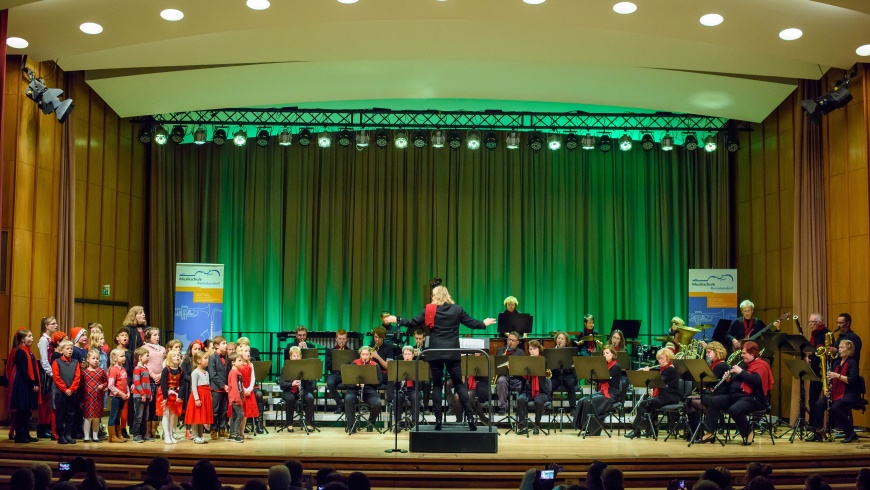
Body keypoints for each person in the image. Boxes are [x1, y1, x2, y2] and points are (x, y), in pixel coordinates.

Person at [386, 285, 496, 431]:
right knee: (459, 384)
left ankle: (438, 419)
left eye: (433, 295)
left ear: (436, 296)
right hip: (452, 351)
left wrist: (397, 319)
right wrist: (484, 324)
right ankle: (470, 417)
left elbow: (413, 322)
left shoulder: (430, 310)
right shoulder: (458, 309)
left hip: (435, 351)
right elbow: (471, 323)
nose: (431, 297)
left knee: (437, 384)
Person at [701, 341, 773, 445]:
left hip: (753, 399)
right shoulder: (743, 364)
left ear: (752, 353)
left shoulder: (762, 365)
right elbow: (737, 381)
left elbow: (756, 380)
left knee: (734, 410)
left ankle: (748, 432)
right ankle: (710, 432)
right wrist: (729, 378)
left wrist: (740, 372)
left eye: (744, 353)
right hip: (737, 396)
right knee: (714, 401)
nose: (742, 355)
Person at [807, 339, 861, 443]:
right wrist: (829, 388)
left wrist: (837, 376)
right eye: (839, 348)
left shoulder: (852, 363)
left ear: (849, 351)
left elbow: (852, 380)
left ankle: (851, 433)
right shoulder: (836, 363)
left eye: (842, 348)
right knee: (818, 404)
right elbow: (833, 380)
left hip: (849, 393)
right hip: (836, 391)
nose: (839, 350)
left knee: (836, 408)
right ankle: (818, 432)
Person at [625, 347, 679, 439]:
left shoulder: (670, 369)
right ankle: (652, 430)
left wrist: (648, 373)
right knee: (649, 403)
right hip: (664, 396)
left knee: (644, 403)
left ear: (668, 359)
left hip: (670, 397)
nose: (659, 361)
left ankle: (636, 429)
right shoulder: (663, 369)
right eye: (658, 359)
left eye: (662, 359)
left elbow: (658, 380)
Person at [574, 344, 622, 435]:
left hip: (611, 395)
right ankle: (582, 426)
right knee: (582, 400)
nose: (605, 355)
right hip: (603, 392)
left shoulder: (615, 366)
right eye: (603, 353)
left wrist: (592, 375)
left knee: (589, 401)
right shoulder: (604, 366)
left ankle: (595, 430)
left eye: (607, 353)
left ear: (613, 354)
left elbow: (603, 378)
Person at [685, 341, 730, 434]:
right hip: (714, 395)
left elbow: (708, 383)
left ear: (717, 352)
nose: (707, 355)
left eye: (709, 352)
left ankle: (697, 432)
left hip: (718, 397)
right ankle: (696, 432)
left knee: (690, 402)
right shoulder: (715, 365)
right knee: (690, 401)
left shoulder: (720, 365)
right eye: (706, 352)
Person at [10, 329, 41, 443]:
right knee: (22, 410)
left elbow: (33, 368)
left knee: (27, 410)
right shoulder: (20, 352)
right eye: (29, 336)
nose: (32, 338)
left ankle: (26, 434)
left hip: (28, 383)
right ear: (23, 339)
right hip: (22, 383)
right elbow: (23, 370)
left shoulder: (29, 352)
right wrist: (32, 383)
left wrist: (36, 383)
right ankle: (20, 435)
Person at [516, 340, 552, 435]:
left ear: (539, 349)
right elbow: (521, 378)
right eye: (530, 349)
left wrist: (532, 362)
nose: (532, 351)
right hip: (528, 390)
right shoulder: (526, 362)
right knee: (520, 400)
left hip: (542, 391)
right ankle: (523, 426)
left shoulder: (543, 360)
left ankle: (537, 425)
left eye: (535, 349)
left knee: (538, 401)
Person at [344, 345, 383, 432]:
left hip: (369, 389)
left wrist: (369, 381)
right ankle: (351, 426)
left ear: (370, 355)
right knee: (348, 399)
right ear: (360, 355)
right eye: (363, 354)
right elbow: (348, 382)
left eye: (367, 354)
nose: (365, 357)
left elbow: (380, 382)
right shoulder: (355, 363)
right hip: (354, 389)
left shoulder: (375, 365)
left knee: (377, 403)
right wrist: (356, 384)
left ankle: (370, 424)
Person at [279, 346, 316, 432]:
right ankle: (289, 424)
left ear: (301, 357)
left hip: (302, 390)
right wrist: (291, 384)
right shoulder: (286, 368)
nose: (296, 358)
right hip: (289, 391)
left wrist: (308, 379)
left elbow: (311, 385)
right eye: (294, 356)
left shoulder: (305, 368)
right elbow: (282, 384)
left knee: (310, 398)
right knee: (290, 398)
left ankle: (309, 423)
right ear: (290, 357)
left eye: (298, 356)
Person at [52, 340, 81, 445]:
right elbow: (57, 377)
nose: (70, 351)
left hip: (72, 392)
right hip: (61, 393)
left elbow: (77, 377)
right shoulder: (57, 362)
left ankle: (68, 434)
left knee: (71, 413)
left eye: (71, 349)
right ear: (61, 350)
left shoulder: (75, 362)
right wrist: (65, 389)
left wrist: (71, 389)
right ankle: (61, 435)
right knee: (60, 414)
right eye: (67, 349)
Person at [36, 317, 59, 440]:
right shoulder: (43, 340)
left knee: (50, 400)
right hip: (47, 372)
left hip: (51, 371)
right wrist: (52, 373)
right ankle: (42, 427)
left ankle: (48, 426)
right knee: (45, 401)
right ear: (46, 326)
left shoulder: (51, 339)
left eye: (56, 323)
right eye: (53, 324)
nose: (56, 325)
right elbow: (44, 360)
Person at [390, 346, 422, 431]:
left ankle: (415, 423)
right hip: (402, 390)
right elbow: (394, 384)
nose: (407, 356)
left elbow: (421, 384)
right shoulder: (398, 366)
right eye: (405, 354)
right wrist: (399, 379)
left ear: (413, 355)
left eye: (409, 354)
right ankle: (397, 423)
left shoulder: (417, 366)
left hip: (413, 390)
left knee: (416, 397)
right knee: (397, 397)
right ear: (403, 356)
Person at [185, 351, 213, 444]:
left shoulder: (206, 372)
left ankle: (201, 436)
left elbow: (207, 385)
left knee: (202, 417)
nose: (207, 360)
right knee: (196, 417)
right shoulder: (195, 372)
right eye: (205, 358)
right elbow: (194, 387)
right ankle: (195, 436)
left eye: (207, 358)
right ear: (198, 360)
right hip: (198, 396)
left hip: (205, 395)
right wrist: (196, 398)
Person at [235, 340, 260, 437]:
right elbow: (237, 379)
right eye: (246, 351)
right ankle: (236, 432)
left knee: (245, 414)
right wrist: (243, 390)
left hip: (249, 389)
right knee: (239, 413)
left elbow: (253, 378)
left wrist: (249, 389)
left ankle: (242, 432)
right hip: (240, 390)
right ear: (240, 352)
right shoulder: (239, 365)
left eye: (249, 351)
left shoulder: (251, 364)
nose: (248, 353)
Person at [143, 327, 165, 440]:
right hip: (149, 378)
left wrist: (160, 375)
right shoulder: (144, 348)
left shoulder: (162, 349)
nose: (157, 337)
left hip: (160, 379)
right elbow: (143, 364)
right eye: (155, 335)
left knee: (158, 404)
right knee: (149, 404)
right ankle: (147, 431)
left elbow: (165, 362)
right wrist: (153, 375)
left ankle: (154, 429)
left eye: (158, 335)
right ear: (148, 337)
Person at [80, 349, 107, 443]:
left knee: (96, 417)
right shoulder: (84, 372)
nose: (96, 360)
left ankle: (95, 436)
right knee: (88, 417)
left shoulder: (101, 371)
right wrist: (81, 400)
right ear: (88, 359)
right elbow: (81, 386)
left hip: (98, 397)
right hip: (87, 398)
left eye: (97, 359)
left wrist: (102, 386)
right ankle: (86, 436)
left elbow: (106, 382)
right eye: (93, 358)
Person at [495, 331, 524, 415]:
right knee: (501, 381)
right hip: (504, 376)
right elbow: (496, 365)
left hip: (516, 377)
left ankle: (520, 408)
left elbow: (522, 367)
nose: (510, 342)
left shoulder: (520, 352)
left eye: (513, 340)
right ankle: (503, 407)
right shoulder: (500, 350)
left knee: (523, 383)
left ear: (517, 342)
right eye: (509, 339)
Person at [158, 349, 184, 444]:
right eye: (174, 355)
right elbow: (163, 383)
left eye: (178, 355)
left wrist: (180, 396)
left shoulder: (181, 370)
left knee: (173, 415)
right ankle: (166, 435)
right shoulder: (166, 369)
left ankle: (171, 434)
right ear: (169, 358)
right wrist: (165, 397)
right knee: (166, 414)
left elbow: (183, 384)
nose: (177, 357)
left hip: (175, 393)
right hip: (165, 393)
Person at [180, 339, 203, 439]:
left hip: (199, 387)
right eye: (195, 349)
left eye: (199, 349)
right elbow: (184, 374)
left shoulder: (202, 360)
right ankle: (188, 429)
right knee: (189, 408)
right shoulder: (186, 360)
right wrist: (193, 379)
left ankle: (198, 431)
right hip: (188, 386)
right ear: (191, 350)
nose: (197, 351)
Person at [207, 335, 229, 439]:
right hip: (217, 388)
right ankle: (213, 430)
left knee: (223, 410)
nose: (226, 345)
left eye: (226, 343)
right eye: (223, 343)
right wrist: (223, 385)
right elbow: (213, 374)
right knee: (215, 411)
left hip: (226, 388)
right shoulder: (213, 358)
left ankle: (222, 429)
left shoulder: (227, 357)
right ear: (216, 345)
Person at [325, 329, 351, 414]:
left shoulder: (350, 351)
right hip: (335, 374)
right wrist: (337, 356)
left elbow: (353, 366)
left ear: (346, 339)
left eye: (343, 339)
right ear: (336, 339)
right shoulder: (330, 351)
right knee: (330, 383)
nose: (341, 341)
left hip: (346, 374)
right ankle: (340, 404)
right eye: (340, 339)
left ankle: (349, 406)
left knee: (352, 384)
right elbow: (328, 367)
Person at [106, 348, 129, 443]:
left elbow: (125, 382)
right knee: (113, 415)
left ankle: (118, 434)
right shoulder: (113, 370)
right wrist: (121, 393)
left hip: (122, 396)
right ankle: (112, 436)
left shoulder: (123, 369)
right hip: (116, 397)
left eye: (124, 356)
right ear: (115, 358)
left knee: (118, 415)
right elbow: (110, 385)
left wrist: (128, 392)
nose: (124, 358)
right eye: (122, 356)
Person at [130, 346, 153, 443]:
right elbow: (137, 383)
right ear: (140, 357)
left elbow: (147, 383)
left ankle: (144, 434)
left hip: (146, 396)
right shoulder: (137, 369)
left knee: (145, 416)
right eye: (147, 356)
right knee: (138, 416)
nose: (149, 358)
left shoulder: (146, 369)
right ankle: (136, 434)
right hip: (139, 396)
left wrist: (150, 394)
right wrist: (143, 394)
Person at [551, 331, 578, 410]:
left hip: (568, 375)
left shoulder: (570, 352)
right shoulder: (551, 352)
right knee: (549, 385)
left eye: (562, 339)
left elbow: (573, 366)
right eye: (558, 338)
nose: (560, 340)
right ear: (556, 340)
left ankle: (573, 408)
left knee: (571, 383)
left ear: (566, 341)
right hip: (556, 375)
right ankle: (548, 406)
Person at [806, 313, 828, 408]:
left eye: (813, 322)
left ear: (819, 322)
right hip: (814, 369)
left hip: (823, 370)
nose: (810, 324)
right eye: (809, 322)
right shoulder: (814, 333)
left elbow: (826, 351)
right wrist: (809, 356)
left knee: (823, 399)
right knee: (812, 398)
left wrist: (813, 354)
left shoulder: (826, 334)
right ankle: (812, 422)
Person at [226, 353, 246, 443]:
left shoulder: (237, 372)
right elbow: (234, 387)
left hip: (237, 398)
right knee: (240, 414)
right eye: (239, 361)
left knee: (234, 416)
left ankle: (232, 434)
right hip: (235, 399)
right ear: (233, 363)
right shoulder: (233, 372)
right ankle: (236, 434)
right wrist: (238, 399)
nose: (242, 362)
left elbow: (239, 386)